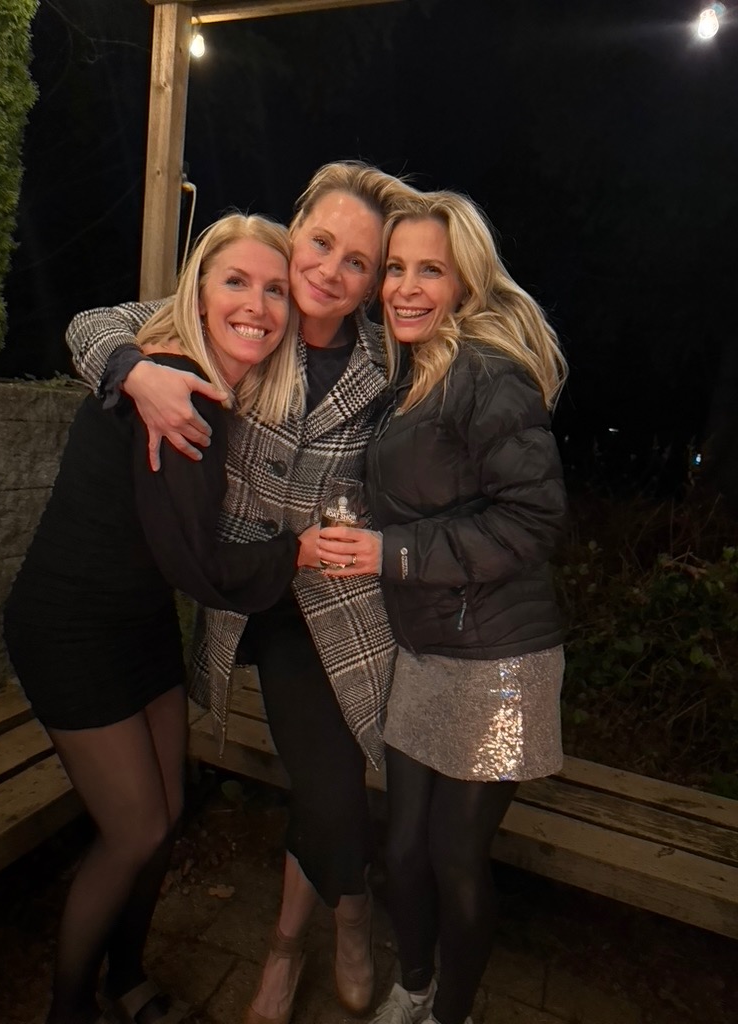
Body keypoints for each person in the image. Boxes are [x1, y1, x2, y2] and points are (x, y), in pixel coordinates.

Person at [65, 161, 417, 1024]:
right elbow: (93, 324)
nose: (331, 271)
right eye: (321, 242)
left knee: (330, 787)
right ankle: (328, 917)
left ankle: (306, 935)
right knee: (322, 787)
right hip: (237, 584)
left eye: (358, 262)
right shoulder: (256, 310)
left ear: (374, 282)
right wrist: (133, 372)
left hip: (325, 595)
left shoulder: (391, 359)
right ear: (295, 232)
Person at [4, 213, 311, 1024]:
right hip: (69, 626)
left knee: (168, 813)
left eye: (275, 289)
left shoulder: (213, 381)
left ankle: (127, 980)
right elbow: (202, 571)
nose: (257, 304)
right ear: (198, 291)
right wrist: (300, 552)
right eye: (236, 281)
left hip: (138, 623)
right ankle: (69, 1010)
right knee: (136, 830)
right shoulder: (175, 382)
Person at [315, 191, 568, 1024]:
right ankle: (414, 985)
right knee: (401, 850)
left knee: (455, 859)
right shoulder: (410, 376)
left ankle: (449, 1012)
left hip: (499, 662)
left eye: (431, 270)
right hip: (425, 651)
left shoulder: (486, 373)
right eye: (394, 269)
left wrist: (390, 552)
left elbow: (532, 521)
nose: (405, 287)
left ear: (466, 282)